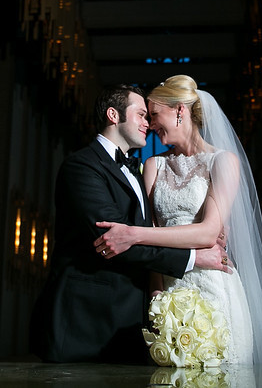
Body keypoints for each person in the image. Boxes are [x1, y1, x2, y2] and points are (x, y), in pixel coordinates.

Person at [93, 75, 262, 366]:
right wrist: (156, 294)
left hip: (215, 287)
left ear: (180, 111)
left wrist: (133, 234)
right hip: (170, 287)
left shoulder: (223, 162)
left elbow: (208, 232)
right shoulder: (153, 165)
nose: (149, 125)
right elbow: (155, 229)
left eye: (155, 114)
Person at [30, 84, 231, 363]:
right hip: (85, 321)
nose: (148, 123)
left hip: (133, 316)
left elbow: (144, 233)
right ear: (114, 115)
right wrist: (195, 256)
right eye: (141, 115)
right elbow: (117, 239)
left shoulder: (138, 171)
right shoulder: (82, 167)